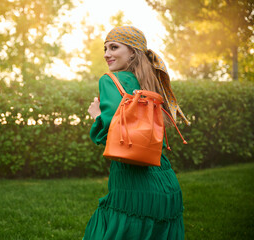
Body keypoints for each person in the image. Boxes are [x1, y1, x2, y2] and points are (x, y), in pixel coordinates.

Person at [84, 26, 190, 240]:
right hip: (165, 184)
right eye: (105, 48)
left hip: (132, 186)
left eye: (114, 47)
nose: (106, 54)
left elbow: (110, 135)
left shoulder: (110, 80)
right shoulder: (152, 84)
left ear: (132, 52)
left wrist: (96, 115)